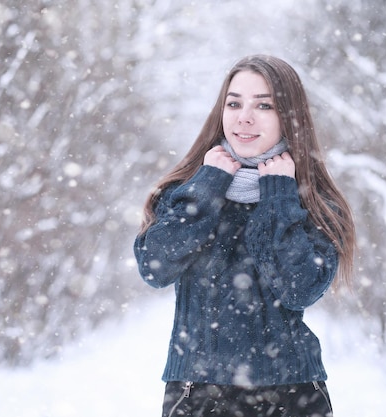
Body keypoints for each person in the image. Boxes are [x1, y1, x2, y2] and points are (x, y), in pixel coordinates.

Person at [133, 54, 355, 417]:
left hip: (292, 394)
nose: (244, 117)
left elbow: (299, 288)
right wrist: (208, 187)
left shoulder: (314, 201)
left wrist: (280, 195)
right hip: (198, 395)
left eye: (263, 105)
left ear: (290, 116)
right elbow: (155, 267)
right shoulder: (188, 189)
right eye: (234, 103)